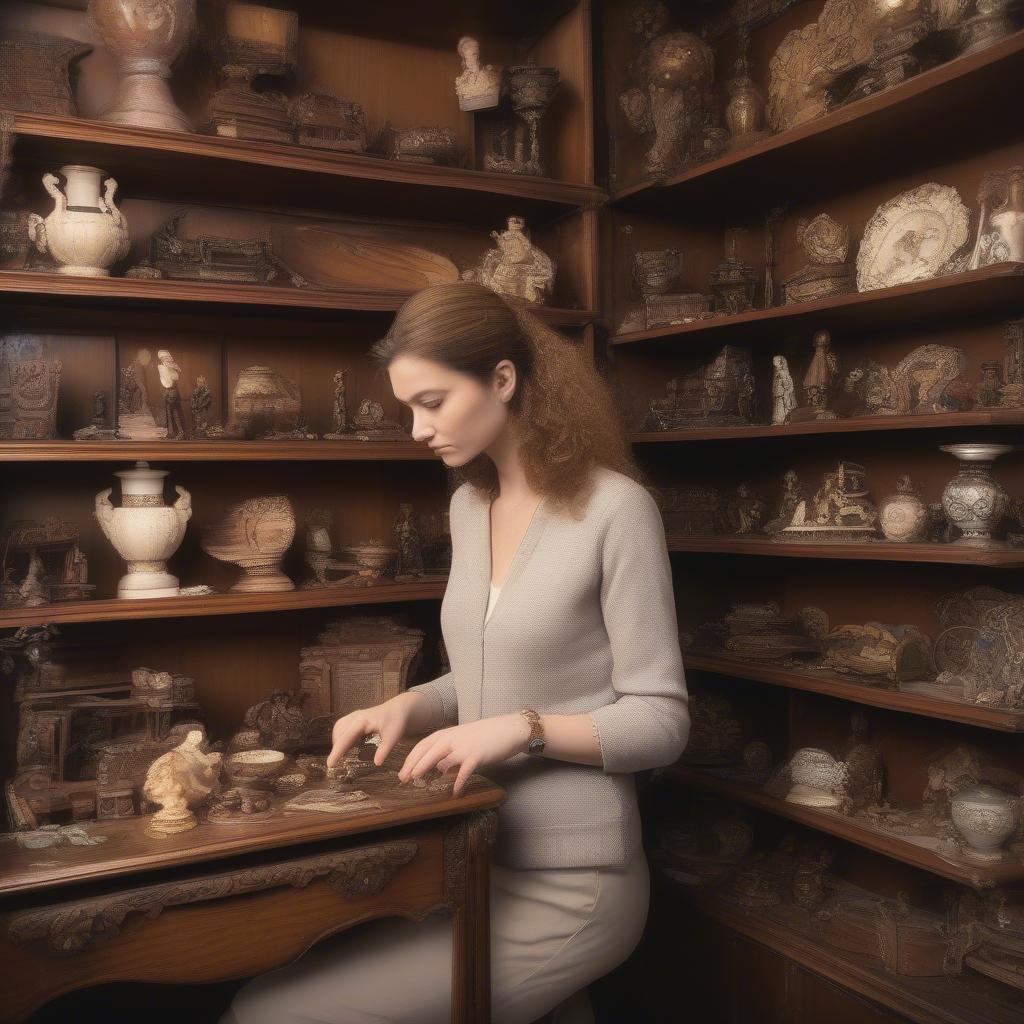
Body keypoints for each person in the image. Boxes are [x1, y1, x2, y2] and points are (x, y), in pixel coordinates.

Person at [224, 281, 690, 1024]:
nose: (416, 430)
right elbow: (485, 669)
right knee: (264, 985)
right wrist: (406, 704)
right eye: (410, 407)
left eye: (432, 402)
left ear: (503, 380)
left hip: (577, 883)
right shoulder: (469, 508)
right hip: (474, 861)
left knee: (267, 1015)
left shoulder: (616, 510)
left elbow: (662, 721)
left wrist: (523, 728)